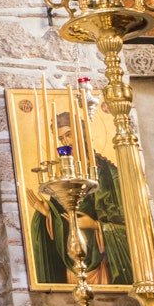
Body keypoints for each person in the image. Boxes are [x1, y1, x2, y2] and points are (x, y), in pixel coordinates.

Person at [25, 111, 133, 286]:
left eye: (69, 135)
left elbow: (127, 225)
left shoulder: (108, 173)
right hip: (73, 260)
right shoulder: (64, 177)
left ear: (81, 133)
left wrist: (95, 225)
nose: (66, 142)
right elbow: (65, 218)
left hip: (100, 261)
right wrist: (48, 214)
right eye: (61, 139)